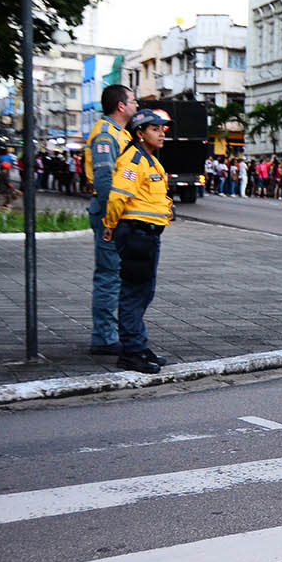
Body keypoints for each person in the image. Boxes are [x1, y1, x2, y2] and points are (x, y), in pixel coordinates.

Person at [103, 108, 175, 374]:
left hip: (147, 234)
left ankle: (138, 345)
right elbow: (118, 195)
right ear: (140, 133)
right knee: (134, 293)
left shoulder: (150, 160)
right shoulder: (134, 159)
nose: (161, 134)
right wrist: (109, 225)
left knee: (144, 291)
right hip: (135, 233)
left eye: (162, 129)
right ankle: (131, 352)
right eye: (155, 129)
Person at [83, 84, 137, 356]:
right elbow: (105, 182)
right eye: (133, 101)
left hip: (118, 214)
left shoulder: (120, 133)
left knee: (117, 275)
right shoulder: (105, 136)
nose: (136, 105)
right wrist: (111, 220)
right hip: (109, 214)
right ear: (120, 106)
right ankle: (104, 338)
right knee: (108, 276)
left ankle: (113, 332)